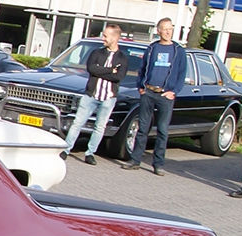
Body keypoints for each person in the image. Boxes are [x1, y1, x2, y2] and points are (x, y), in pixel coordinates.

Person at [123, 17, 189, 175]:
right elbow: (143, 67)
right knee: (142, 128)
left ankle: (158, 164)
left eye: (170, 29)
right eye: (165, 29)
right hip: (148, 92)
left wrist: (174, 91)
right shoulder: (152, 48)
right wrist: (141, 87)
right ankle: (135, 160)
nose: (168, 32)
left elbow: (182, 74)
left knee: (162, 130)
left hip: (165, 95)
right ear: (158, 31)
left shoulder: (178, 51)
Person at [59, 22, 127, 166]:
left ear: (115, 38)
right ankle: (66, 149)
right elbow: (92, 69)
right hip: (91, 94)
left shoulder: (122, 58)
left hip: (108, 97)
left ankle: (90, 153)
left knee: (99, 126)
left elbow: (118, 77)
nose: (103, 38)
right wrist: (110, 70)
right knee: (78, 122)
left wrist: (102, 71)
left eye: (106, 36)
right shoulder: (97, 53)